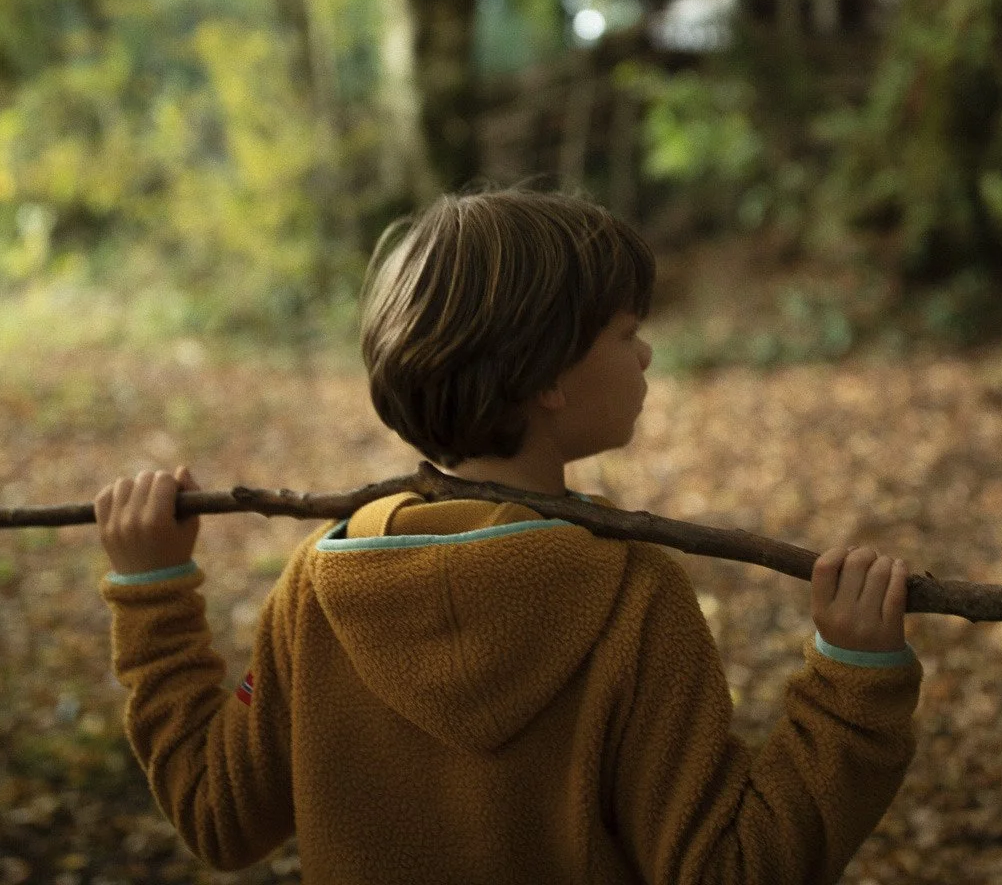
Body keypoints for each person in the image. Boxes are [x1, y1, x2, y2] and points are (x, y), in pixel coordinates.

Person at [96, 185, 921, 884]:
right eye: (625, 333)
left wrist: (151, 592)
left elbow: (218, 816)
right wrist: (850, 689)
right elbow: (730, 868)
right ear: (549, 375)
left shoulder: (317, 589)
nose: (645, 355)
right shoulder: (630, 598)